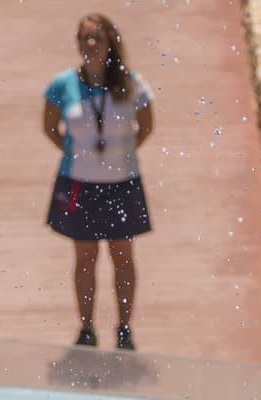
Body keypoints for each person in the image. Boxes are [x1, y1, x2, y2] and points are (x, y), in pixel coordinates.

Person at [43, 14, 155, 351]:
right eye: (85, 38)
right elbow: (50, 128)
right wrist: (77, 153)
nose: (90, 44)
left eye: (97, 38)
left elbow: (146, 126)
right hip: (80, 182)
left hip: (122, 182)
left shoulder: (131, 83)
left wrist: (120, 154)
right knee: (85, 256)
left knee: (122, 255)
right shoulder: (62, 85)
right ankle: (86, 328)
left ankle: (124, 327)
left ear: (111, 42)